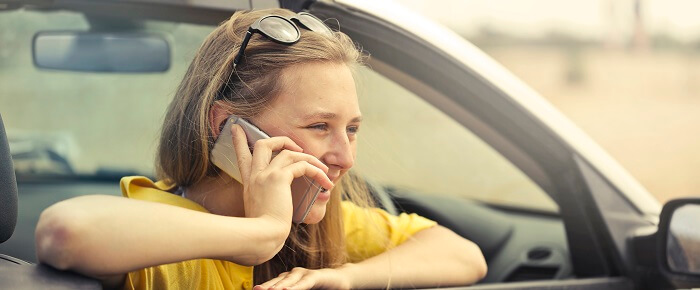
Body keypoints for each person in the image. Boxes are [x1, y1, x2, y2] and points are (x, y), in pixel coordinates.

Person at [34, 8, 487, 290]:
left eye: (351, 129)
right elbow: (65, 233)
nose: (346, 157)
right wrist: (263, 233)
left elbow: (465, 256)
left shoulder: (315, 223)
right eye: (318, 125)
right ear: (227, 126)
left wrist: (347, 277)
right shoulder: (160, 227)